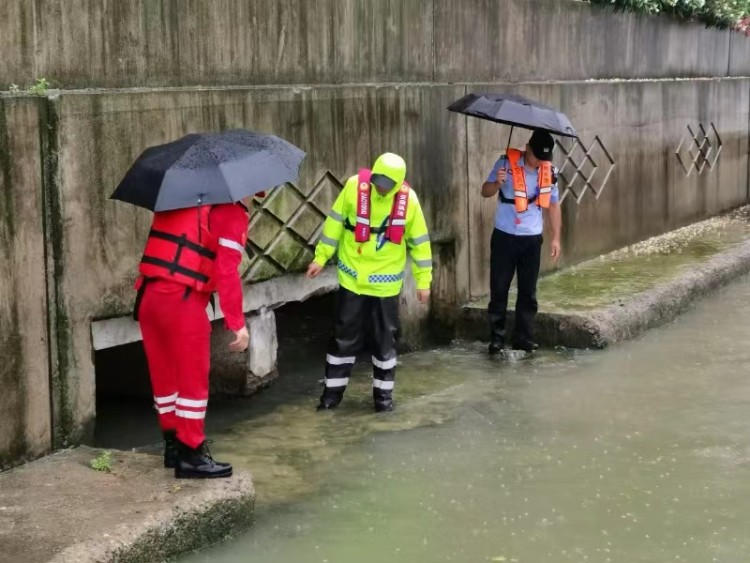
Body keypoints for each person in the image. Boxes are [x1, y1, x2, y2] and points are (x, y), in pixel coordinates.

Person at [135, 196, 259, 478]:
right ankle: (191, 455)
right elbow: (226, 271)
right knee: (192, 381)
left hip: (149, 297)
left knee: (165, 378)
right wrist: (237, 322)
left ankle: (172, 448)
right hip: (182, 300)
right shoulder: (231, 212)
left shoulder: (181, 200)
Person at [306, 152, 432, 412]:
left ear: (397, 184)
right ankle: (330, 398)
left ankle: (383, 400)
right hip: (352, 279)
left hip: (385, 286)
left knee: (384, 341)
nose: (380, 186)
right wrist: (320, 258)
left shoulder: (409, 202)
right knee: (343, 339)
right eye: (378, 180)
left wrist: (424, 282)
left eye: (387, 183)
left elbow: (420, 244)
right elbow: (334, 224)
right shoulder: (354, 187)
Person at [480, 129, 562, 355]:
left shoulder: (550, 172)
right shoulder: (504, 164)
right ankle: (497, 339)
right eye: (537, 157)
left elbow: (553, 206)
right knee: (499, 289)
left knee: (528, 291)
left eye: (544, 158)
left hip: (531, 238)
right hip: (505, 235)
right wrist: (497, 183)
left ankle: (524, 338)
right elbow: (484, 192)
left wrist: (556, 238)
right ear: (528, 148)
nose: (539, 162)